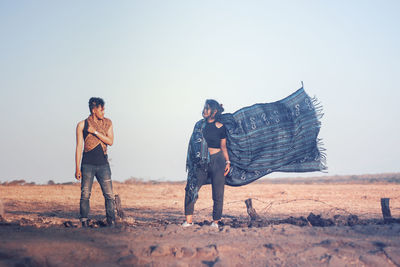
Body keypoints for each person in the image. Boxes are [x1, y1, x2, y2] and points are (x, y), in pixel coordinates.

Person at [183, 99, 231, 229]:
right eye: (204, 107)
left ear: (214, 112)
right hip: (201, 163)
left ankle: (215, 221)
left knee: (218, 193)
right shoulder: (199, 126)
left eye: (207, 108)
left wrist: (227, 162)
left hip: (218, 161)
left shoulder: (221, 127)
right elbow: (193, 144)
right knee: (191, 188)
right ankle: (188, 221)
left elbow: (223, 147)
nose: (204, 110)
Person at [75, 97, 115, 227]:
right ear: (94, 110)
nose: (103, 112)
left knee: (109, 195)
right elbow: (79, 147)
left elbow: (110, 141)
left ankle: (111, 221)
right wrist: (77, 168)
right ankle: (84, 220)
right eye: (101, 109)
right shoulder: (82, 125)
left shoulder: (108, 123)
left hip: (103, 165)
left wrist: (95, 132)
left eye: (104, 109)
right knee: (85, 194)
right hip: (87, 164)